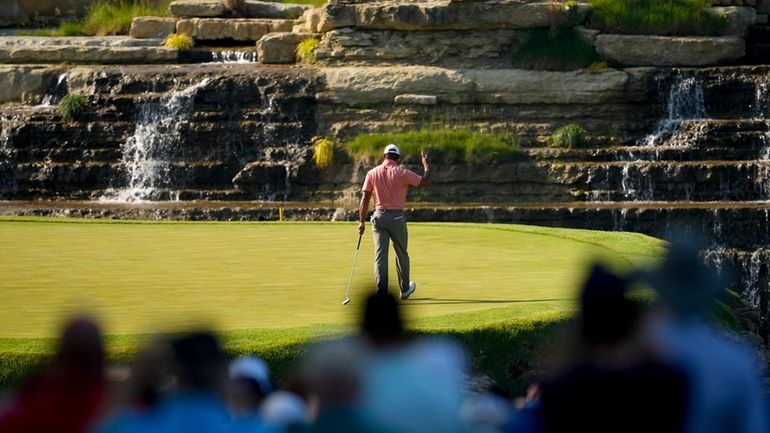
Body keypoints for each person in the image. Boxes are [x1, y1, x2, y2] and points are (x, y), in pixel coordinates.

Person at [358, 144, 432, 299]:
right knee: (401, 254)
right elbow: (425, 181)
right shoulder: (402, 173)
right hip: (397, 218)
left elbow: (365, 198)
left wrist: (361, 221)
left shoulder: (372, 173)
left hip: (379, 218)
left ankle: (382, 294)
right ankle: (405, 289)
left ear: (384, 156)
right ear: (397, 158)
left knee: (380, 256)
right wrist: (426, 166)